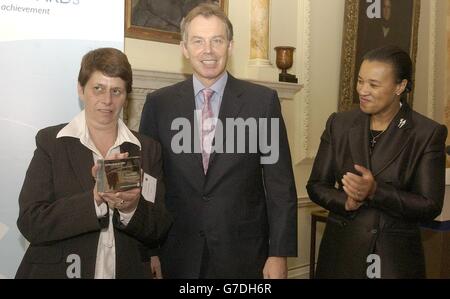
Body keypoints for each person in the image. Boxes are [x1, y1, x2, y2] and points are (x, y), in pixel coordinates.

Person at [139, 3, 297, 279]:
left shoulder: (262, 102)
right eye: (198, 41)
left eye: (217, 41)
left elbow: (279, 185)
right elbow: (150, 183)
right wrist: (150, 250)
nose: (208, 50)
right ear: (184, 49)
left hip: (245, 256)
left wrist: (278, 253)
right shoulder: (158, 105)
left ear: (230, 46)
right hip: (177, 252)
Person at [15, 48, 172, 279]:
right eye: (98, 88)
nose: (107, 101)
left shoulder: (147, 148)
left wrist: (130, 208)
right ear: (81, 89)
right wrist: (95, 198)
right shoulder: (52, 142)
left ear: (126, 96)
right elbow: (31, 221)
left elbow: (158, 228)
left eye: (116, 91)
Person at [307, 45, 447, 279]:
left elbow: (430, 205)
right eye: (360, 81)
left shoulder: (426, 133)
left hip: (392, 259)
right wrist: (347, 203)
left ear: (399, 87)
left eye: (373, 84)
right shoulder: (339, 124)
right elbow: (316, 185)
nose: (362, 90)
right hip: (340, 256)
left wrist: (375, 191)